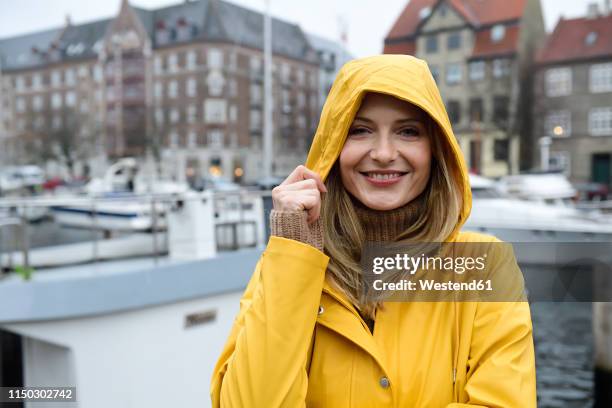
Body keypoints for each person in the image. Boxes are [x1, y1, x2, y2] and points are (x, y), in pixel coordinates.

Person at [210, 55, 536, 407]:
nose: (383, 153)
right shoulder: (287, 264)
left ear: (435, 149)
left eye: (408, 131)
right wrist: (293, 255)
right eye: (359, 130)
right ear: (332, 146)